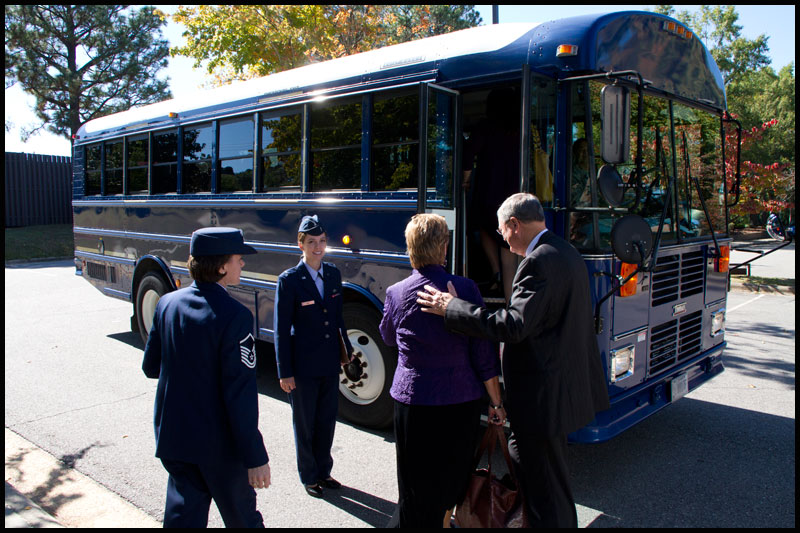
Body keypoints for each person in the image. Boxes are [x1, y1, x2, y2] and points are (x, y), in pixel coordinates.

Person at [417, 193, 609, 528]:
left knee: (547, 490)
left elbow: (513, 325)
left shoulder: (537, 262)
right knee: (545, 478)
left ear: (514, 225)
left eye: (501, 230)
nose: (502, 237)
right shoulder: (566, 252)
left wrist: (452, 307)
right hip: (560, 390)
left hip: (541, 398)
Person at [379, 213, 504, 528]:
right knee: (452, 477)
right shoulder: (465, 288)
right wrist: (497, 403)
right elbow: (483, 352)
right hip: (459, 400)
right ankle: (444, 521)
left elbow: (387, 337)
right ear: (443, 246)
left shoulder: (396, 292)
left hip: (412, 400)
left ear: (411, 247)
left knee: (414, 482)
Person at [142, 227, 270, 528]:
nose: (242, 265)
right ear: (222, 265)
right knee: (243, 520)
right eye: (238, 259)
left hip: (176, 438)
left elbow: (151, 367)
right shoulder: (235, 316)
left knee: (182, 520)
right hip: (220, 448)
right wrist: (255, 456)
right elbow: (239, 395)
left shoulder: (166, 304)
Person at [273, 215, 352, 498]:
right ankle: (309, 476)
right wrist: (284, 371)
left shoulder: (332, 274)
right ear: (300, 245)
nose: (317, 247)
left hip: (329, 362)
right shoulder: (290, 281)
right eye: (311, 243)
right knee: (305, 424)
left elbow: (338, 317)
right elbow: (281, 329)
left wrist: (347, 353)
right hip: (303, 366)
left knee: (327, 420)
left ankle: (324, 470)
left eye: (321, 242)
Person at [462, 87, 520, 302]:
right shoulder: (520, 127)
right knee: (511, 253)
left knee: (484, 227)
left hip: (490, 193)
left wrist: (465, 179)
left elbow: (468, 153)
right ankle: (513, 304)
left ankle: (506, 294)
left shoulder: (486, 126)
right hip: (517, 195)